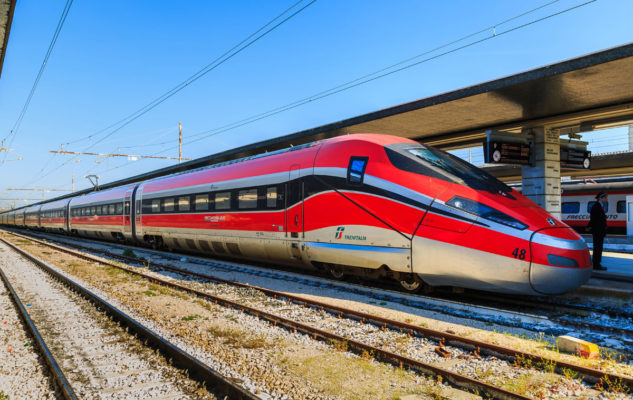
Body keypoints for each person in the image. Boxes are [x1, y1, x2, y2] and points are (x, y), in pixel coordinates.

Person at [588, 191, 608, 270]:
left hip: (600, 231)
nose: (606, 199)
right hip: (597, 231)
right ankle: (596, 265)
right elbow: (594, 219)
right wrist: (589, 226)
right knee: (597, 248)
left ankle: (597, 263)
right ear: (601, 198)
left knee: (598, 248)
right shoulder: (596, 207)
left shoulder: (600, 206)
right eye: (605, 198)